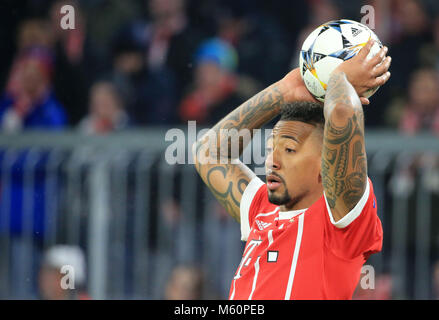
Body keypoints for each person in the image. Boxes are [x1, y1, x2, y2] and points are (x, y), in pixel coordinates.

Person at [192, 38, 391, 299]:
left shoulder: (341, 220)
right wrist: (283, 91)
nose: (272, 161)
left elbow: (342, 112)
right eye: (270, 149)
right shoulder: (261, 209)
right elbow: (207, 153)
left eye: (289, 150)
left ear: (326, 164)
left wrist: (339, 78)